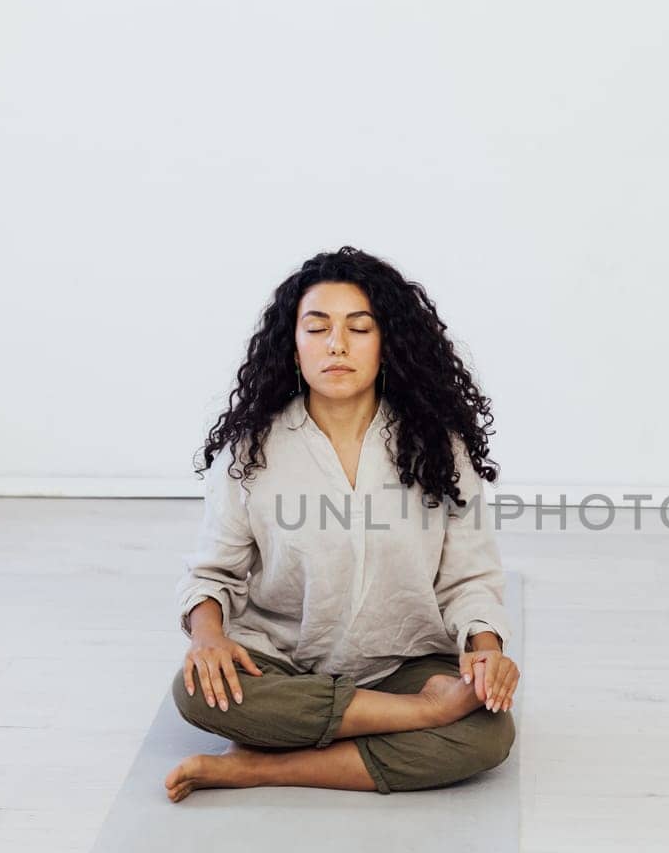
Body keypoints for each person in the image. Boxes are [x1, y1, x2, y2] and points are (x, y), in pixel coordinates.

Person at [163, 246, 520, 801]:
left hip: (403, 660)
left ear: (388, 343)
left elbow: (470, 580)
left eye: (359, 328)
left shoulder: (439, 447)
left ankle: (259, 767)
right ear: (294, 344)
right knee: (197, 693)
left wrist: (486, 651)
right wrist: (207, 640)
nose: (337, 344)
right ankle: (410, 716)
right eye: (317, 328)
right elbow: (214, 574)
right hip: (279, 661)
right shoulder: (251, 451)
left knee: (488, 736)